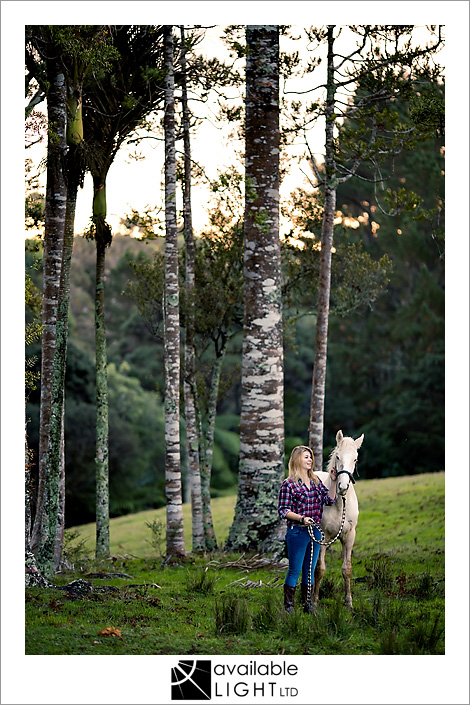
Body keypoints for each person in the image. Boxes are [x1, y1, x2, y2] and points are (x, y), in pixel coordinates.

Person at [278, 445, 337, 613]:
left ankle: (307, 606)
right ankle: (288, 607)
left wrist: (333, 481)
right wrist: (302, 519)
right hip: (297, 532)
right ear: (297, 459)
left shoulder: (316, 482)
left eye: (310, 456)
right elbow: (284, 510)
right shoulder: (288, 484)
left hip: (316, 531)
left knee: (309, 570)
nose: (310, 459)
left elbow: (329, 500)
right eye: (306, 457)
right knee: (295, 570)